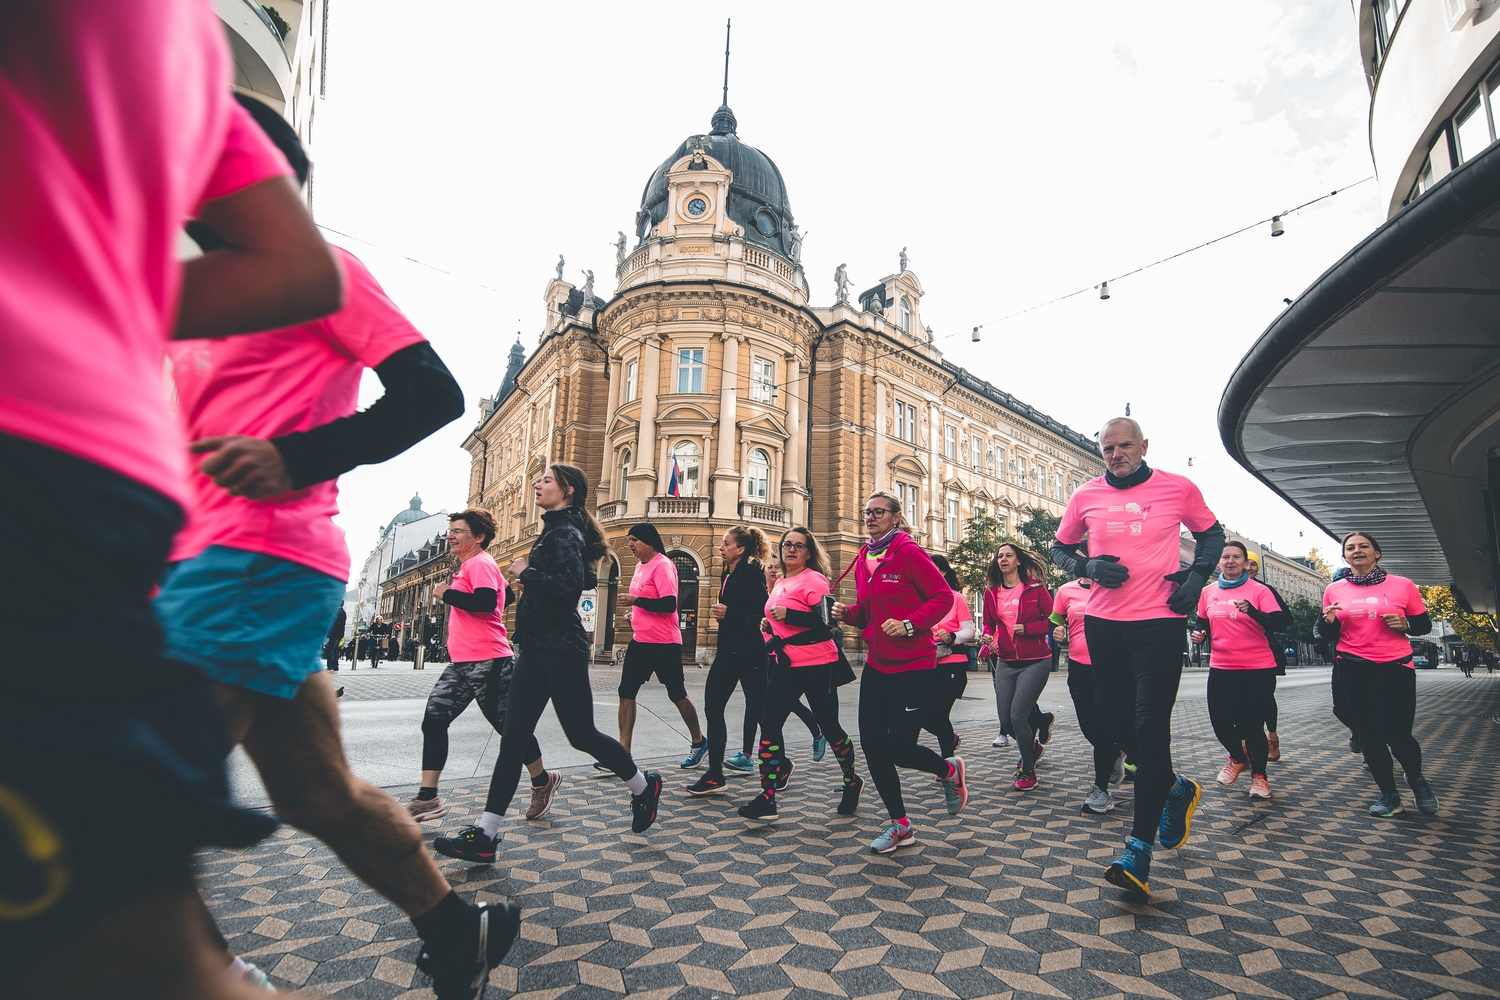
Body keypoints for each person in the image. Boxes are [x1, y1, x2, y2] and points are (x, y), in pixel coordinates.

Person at [0, 5, 349, 996]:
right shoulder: (176, 36)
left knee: (112, 923)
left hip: (73, 483)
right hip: (108, 481)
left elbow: (326, 289)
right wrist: (83, 290)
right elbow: (290, 260)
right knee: (128, 901)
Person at [152, 95, 527, 995]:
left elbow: (430, 394)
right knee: (318, 795)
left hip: (257, 560)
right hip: (207, 565)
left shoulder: (323, 270)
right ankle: (456, 928)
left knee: (129, 796)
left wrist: (293, 455)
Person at [437, 465, 662, 864]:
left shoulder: (565, 530)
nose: (537, 484)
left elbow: (568, 586)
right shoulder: (561, 528)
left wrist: (528, 572)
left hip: (561, 649)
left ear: (568, 490)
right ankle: (486, 834)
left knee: (582, 736)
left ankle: (644, 788)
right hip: (534, 648)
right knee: (512, 739)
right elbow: (587, 580)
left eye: (546, 481)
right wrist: (536, 575)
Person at [1052, 417, 1225, 895]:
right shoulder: (1086, 495)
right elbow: (1058, 548)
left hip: (1160, 624)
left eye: (1125, 446)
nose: (1116, 454)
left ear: (1143, 446)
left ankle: (1138, 849)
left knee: (1150, 728)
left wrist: (1196, 578)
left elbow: (1211, 535)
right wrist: (1086, 565)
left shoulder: (1177, 488)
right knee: (1119, 727)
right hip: (1105, 626)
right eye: (1108, 448)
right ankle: (1175, 788)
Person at [833, 491, 966, 853]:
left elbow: (942, 597)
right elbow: (868, 612)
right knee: (873, 744)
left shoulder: (909, 553)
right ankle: (900, 824)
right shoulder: (864, 558)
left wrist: (910, 624)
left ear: (895, 517)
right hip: (878, 664)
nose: (871, 517)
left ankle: (948, 771)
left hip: (915, 666)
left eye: (879, 512)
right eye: (867, 512)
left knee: (899, 748)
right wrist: (850, 615)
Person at [407, 509, 559, 822]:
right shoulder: (475, 566)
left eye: (459, 531)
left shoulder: (479, 563)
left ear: (478, 537)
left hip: (489, 661)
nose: (451, 535)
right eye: (451, 530)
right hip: (463, 661)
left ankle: (542, 781)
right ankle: (427, 797)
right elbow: (505, 599)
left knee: (508, 729)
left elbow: (487, 602)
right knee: (434, 720)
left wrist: (446, 594)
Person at [738, 528, 866, 821]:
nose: (791, 550)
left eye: (799, 546)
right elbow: (782, 618)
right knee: (769, 726)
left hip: (817, 663)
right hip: (784, 664)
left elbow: (827, 626)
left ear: (809, 552)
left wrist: (789, 617)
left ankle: (852, 780)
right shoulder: (782, 581)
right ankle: (767, 799)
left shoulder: (815, 580)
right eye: (787, 545)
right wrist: (770, 626)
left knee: (830, 727)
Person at [1321, 531, 1440, 817]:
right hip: (1353, 666)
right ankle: (1389, 794)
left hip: (1395, 666)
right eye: (1351, 548)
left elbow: (1423, 624)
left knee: (1399, 734)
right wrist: (1328, 622)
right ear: (1345, 556)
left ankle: (1417, 780)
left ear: (1377, 553)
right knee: (1370, 734)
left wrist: (1405, 623)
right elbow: (1327, 633)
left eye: (1364, 546)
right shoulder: (1334, 589)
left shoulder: (1403, 585)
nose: (1357, 551)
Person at [1190, 541, 1289, 800]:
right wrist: (1199, 633)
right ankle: (1237, 756)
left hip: (1257, 667)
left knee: (1251, 725)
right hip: (1222, 665)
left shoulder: (1259, 590)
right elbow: (1202, 619)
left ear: (1246, 563)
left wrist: (1253, 612)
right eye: (1225, 557)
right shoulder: (1208, 592)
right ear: (1219, 562)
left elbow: (1280, 622)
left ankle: (1260, 777)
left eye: (1236, 557)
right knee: (1219, 721)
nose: (1230, 561)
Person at [614, 522, 707, 767]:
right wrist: (635, 613)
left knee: (677, 694)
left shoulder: (663, 566)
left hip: (664, 644)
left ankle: (699, 741)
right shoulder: (639, 566)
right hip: (640, 641)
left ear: (649, 541)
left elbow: (667, 605)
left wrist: (636, 600)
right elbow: (646, 603)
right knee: (626, 692)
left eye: (634, 539)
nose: (630, 544)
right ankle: (624, 753)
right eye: (628, 540)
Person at [691, 526, 772, 794]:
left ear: (740, 549)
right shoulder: (730, 573)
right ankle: (715, 775)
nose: (721, 548)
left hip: (750, 654)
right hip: (727, 653)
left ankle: (778, 764)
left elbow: (762, 613)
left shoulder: (750, 573)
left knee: (763, 713)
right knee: (713, 708)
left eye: (726, 544)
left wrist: (730, 613)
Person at [982, 543, 1056, 790]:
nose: (1003, 559)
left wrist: (1029, 629)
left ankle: (1028, 769)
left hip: (1035, 660)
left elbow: (1051, 620)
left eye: (1008, 555)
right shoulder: (992, 591)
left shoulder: (1034, 588)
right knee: (1005, 718)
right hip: (1006, 660)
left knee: (1017, 715)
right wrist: (988, 637)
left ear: (1018, 561)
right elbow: (989, 624)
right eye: (999, 555)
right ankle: (1032, 748)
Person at [1051, 573, 1123, 814]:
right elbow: (1055, 618)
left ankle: (1101, 791)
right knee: (1087, 725)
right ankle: (1115, 751)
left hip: (1110, 666)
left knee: (1101, 728)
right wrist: (1057, 630)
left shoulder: (1115, 587)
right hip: (1078, 666)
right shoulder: (1066, 591)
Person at [929, 555, 976, 757]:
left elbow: (970, 631)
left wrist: (952, 636)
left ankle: (947, 761)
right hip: (927, 664)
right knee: (924, 714)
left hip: (953, 665)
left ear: (942, 572)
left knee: (939, 714)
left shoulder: (955, 597)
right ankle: (950, 738)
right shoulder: (919, 598)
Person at [1245, 552, 1289, 762]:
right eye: (1245, 563)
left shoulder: (1265, 590)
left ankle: (1271, 736)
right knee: (1238, 701)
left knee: (1264, 697)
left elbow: (1284, 619)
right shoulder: (1222, 589)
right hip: (1233, 652)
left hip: (1264, 648)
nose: (1248, 568)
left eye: (1253, 564)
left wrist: (1256, 614)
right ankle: (1245, 744)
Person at [326, 604, 347, 673]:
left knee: (330, 650)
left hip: (334, 633)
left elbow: (335, 623)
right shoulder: (342, 612)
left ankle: (330, 666)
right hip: (339, 634)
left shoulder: (338, 612)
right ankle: (335, 666)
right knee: (335, 650)